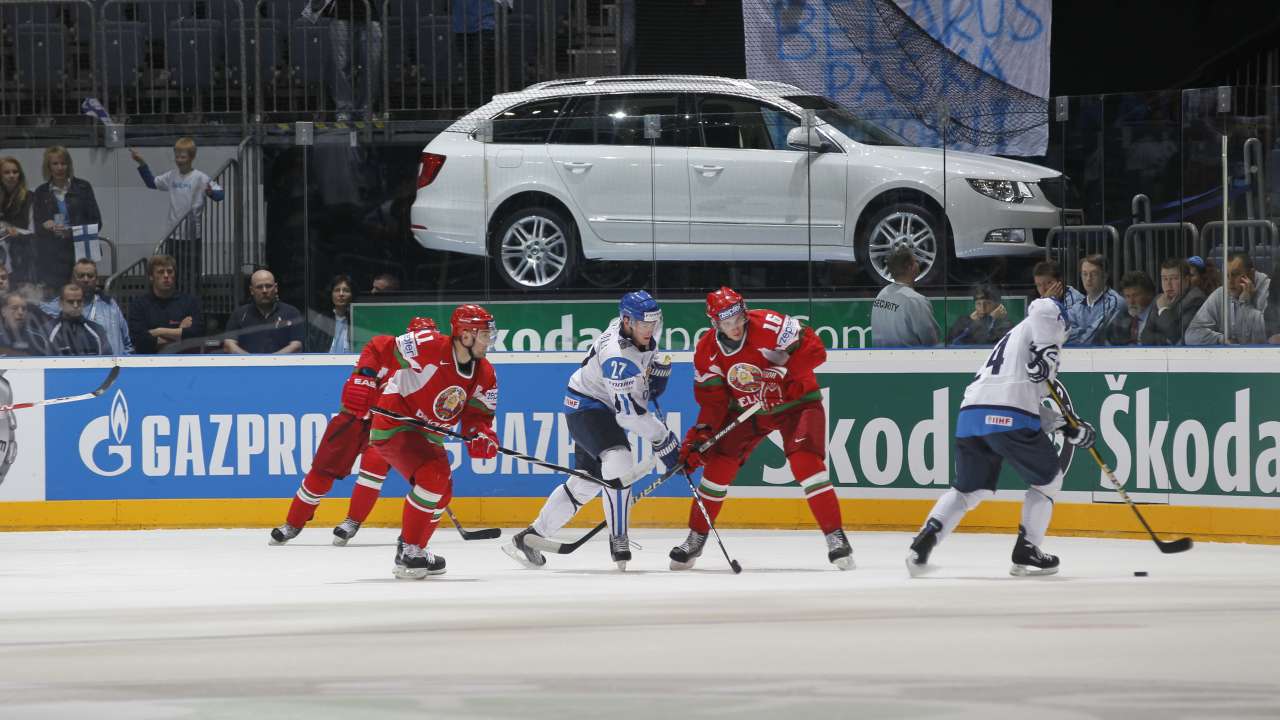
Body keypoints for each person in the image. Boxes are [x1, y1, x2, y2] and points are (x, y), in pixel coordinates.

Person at [906, 289, 1095, 577]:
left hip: (971, 413)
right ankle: (1027, 549)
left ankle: (924, 540)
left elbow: (1024, 394)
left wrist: (1065, 425)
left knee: (969, 489)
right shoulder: (1049, 320)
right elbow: (1043, 311)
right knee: (1049, 480)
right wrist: (1046, 357)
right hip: (1009, 414)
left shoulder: (1014, 338)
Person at [670, 287, 852, 571]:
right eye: (726, 321)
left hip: (796, 403)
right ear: (714, 323)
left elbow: (816, 350)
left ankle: (835, 536)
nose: (735, 326)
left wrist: (781, 375)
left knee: (806, 463)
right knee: (717, 467)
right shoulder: (707, 351)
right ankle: (695, 538)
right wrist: (702, 437)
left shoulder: (769, 323)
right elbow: (714, 404)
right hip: (748, 413)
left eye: (738, 318)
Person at [503, 291, 680, 571]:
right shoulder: (616, 357)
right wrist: (662, 439)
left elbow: (637, 390)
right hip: (587, 407)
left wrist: (651, 380)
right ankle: (618, 536)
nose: (651, 329)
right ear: (627, 321)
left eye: (654, 323)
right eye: (645, 324)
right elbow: (628, 415)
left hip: (598, 405)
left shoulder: (633, 333)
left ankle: (529, 538)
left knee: (586, 483)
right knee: (619, 460)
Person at [271, 317, 439, 547]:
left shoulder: (435, 371)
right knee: (322, 471)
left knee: (373, 470)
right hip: (353, 418)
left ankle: (352, 521)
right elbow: (364, 372)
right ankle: (293, 523)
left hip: (387, 427)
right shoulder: (391, 351)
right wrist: (363, 383)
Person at [368, 304, 499, 579]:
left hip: (428, 434)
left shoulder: (485, 373)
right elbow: (380, 347)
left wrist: (481, 435)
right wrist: (363, 380)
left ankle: (411, 548)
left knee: (443, 489)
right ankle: (411, 550)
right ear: (465, 335)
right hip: (395, 423)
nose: (490, 340)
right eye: (485, 335)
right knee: (434, 477)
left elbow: (478, 416)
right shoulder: (428, 345)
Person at [31, 146, 102, 296]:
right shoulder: (41, 192)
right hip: (53, 256)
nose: (60, 168)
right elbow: (36, 227)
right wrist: (45, 225)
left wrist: (71, 231)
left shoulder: (83, 187)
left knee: (83, 296)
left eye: (63, 163)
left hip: (80, 252)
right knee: (58, 299)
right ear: (48, 167)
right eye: (55, 164)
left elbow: (97, 222)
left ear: (69, 165)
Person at [40, 259, 131, 355]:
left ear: (97, 279)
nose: (86, 279)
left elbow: (127, 344)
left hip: (117, 368)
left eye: (90, 276)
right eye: (81, 276)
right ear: (72, 279)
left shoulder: (110, 305)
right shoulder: (53, 308)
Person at [1185, 252, 1271, 345]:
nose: (1230, 282)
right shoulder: (1221, 293)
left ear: (1251, 274)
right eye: (1226, 275)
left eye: (1235, 274)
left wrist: (1245, 303)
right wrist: (1221, 340)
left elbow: (1265, 337)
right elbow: (1191, 335)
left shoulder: (1270, 292)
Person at [128, 255, 206, 354]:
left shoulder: (190, 302)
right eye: (160, 272)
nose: (166, 276)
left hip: (184, 361)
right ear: (151, 277)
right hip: (150, 362)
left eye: (170, 271)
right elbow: (140, 340)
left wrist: (158, 331)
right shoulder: (139, 305)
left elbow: (197, 334)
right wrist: (179, 333)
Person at [871, 246, 939, 347]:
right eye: (916, 261)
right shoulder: (915, 300)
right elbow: (931, 342)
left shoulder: (882, 294)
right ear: (909, 267)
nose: (918, 264)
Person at [223, 269, 304, 354]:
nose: (264, 290)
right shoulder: (239, 314)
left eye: (268, 286)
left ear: (276, 288)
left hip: (281, 366)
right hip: (248, 366)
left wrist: (269, 361)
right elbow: (228, 344)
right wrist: (253, 362)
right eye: (259, 287)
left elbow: (297, 346)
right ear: (251, 290)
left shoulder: (291, 313)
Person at [1141, 259, 1205, 346]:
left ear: (1186, 280)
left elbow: (1176, 336)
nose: (1168, 284)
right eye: (1164, 279)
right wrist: (1165, 340)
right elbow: (1145, 336)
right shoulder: (1159, 299)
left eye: (1174, 278)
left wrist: (1163, 309)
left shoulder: (1196, 299)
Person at [1066, 254, 1123, 346]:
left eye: (1094, 274)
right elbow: (1063, 334)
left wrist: (1077, 332)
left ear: (1105, 276)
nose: (1088, 279)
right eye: (1085, 274)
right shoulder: (1077, 306)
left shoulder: (1115, 303)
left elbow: (1094, 338)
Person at [45, 283, 110, 356]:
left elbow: (107, 363)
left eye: (79, 301)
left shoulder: (97, 331)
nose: (75, 305)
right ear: (61, 303)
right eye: (70, 302)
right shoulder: (48, 330)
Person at [0, 156, 35, 284]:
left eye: (15, 172)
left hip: (22, 252)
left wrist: (16, 231)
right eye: (7, 172)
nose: (11, 175)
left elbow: (33, 230)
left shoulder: (30, 197)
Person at [946, 284, 1013, 346]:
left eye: (988, 303)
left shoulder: (1005, 324)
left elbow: (983, 342)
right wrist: (971, 323)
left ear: (996, 305)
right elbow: (952, 343)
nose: (983, 308)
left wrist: (990, 319)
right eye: (978, 304)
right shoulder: (963, 322)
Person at [1105, 271, 1156, 346]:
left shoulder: (1159, 315)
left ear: (1149, 294)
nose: (1131, 301)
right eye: (1127, 296)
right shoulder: (1121, 316)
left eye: (1135, 295)